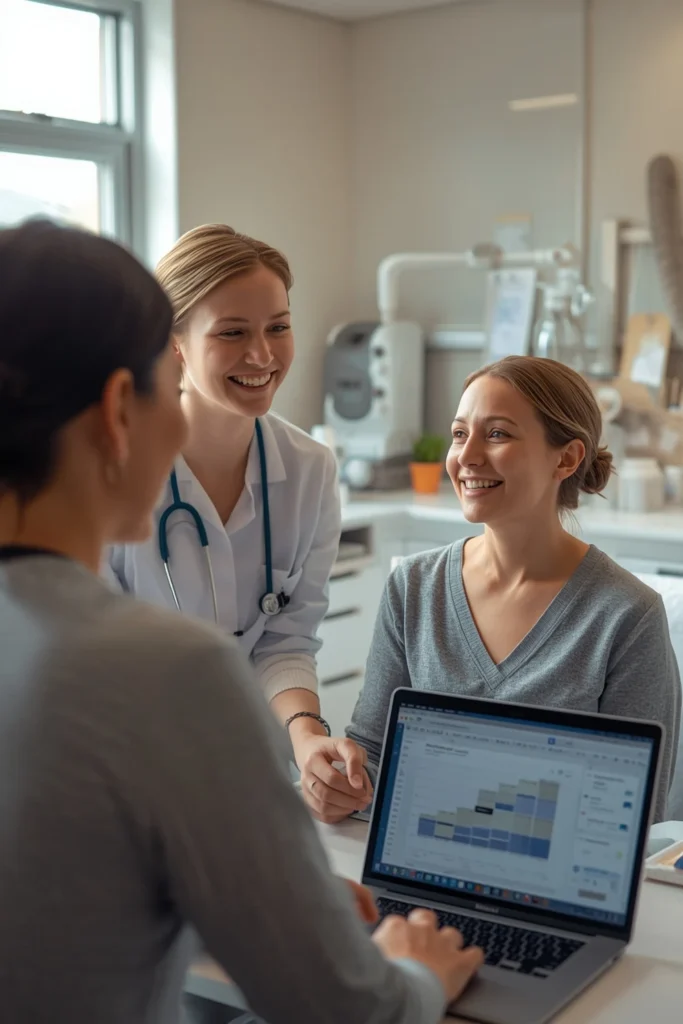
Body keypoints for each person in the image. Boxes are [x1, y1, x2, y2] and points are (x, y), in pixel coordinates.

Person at [0, 219, 483, 1023]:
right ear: (126, 402)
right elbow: (350, 1010)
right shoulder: (161, 667)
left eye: (277, 326)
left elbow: (67, 889)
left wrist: (258, 880)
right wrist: (418, 972)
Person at [104, 224, 370, 823]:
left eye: (278, 326)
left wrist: (306, 739)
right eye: (232, 332)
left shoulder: (309, 471)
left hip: (249, 774)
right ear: (174, 343)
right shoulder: (114, 476)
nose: (264, 355)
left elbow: (285, 640)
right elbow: (94, 662)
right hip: (129, 779)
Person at [345, 355, 680, 823]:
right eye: (460, 433)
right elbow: (372, 754)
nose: (466, 456)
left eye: (497, 434)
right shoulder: (413, 587)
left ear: (566, 458)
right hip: (413, 872)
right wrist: (342, 782)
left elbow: (631, 817)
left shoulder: (627, 615)